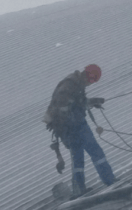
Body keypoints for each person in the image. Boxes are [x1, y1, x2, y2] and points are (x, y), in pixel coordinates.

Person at [43, 64, 116, 198]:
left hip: (74, 126)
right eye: (92, 80)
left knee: (78, 159)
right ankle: (109, 180)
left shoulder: (76, 84)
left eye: (94, 82)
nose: (91, 84)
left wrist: (93, 102)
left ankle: (79, 190)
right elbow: (63, 109)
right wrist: (69, 129)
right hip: (74, 127)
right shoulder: (69, 86)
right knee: (95, 153)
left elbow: (77, 103)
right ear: (87, 75)